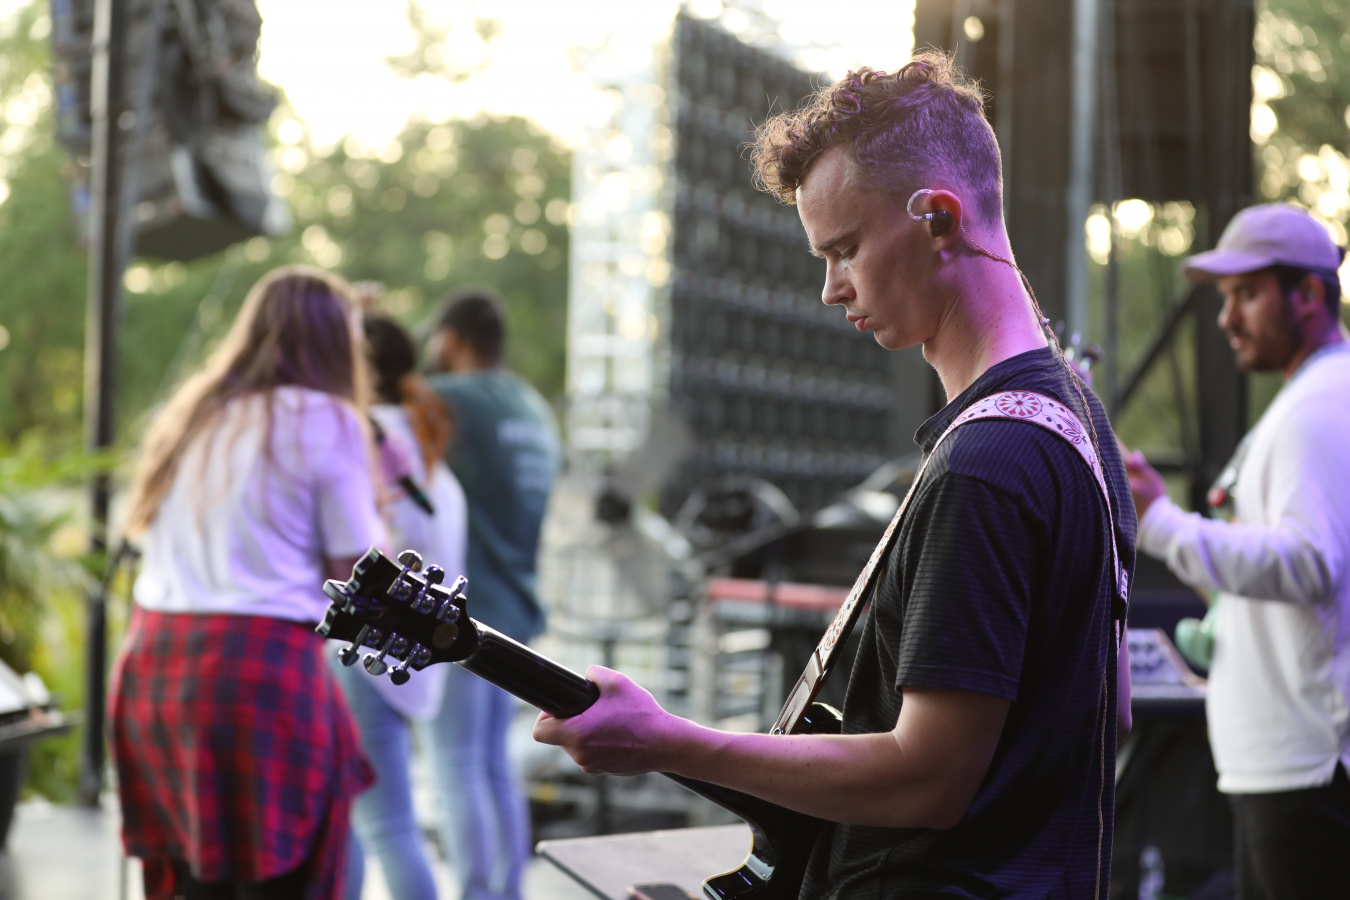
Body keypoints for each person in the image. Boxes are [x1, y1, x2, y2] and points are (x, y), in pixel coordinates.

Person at [532, 54, 1136, 898]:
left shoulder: (985, 466)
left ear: (938, 218)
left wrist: (666, 741)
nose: (829, 289)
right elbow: (1112, 710)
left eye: (846, 250)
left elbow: (928, 779)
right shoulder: (1080, 421)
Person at [109, 266, 382, 900]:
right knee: (286, 878)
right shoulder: (327, 417)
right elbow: (359, 575)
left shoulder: (194, 411)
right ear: (332, 342)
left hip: (154, 667)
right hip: (256, 674)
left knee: (194, 880)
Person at [1125, 203, 1350, 900]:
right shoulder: (1314, 398)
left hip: (1305, 771)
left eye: (1246, 294)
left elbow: (1310, 562)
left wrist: (1161, 522)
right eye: (1225, 298)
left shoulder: (1318, 406)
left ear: (1308, 293)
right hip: (1291, 765)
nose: (1226, 318)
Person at [424, 288, 560, 900]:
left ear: (450, 339)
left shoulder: (447, 398)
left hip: (461, 612)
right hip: (515, 608)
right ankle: (506, 892)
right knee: (492, 763)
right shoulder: (533, 408)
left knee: (455, 763)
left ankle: (477, 894)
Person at [332, 313, 469, 900]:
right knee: (382, 824)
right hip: (407, 648)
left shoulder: (365, 438)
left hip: (365, 646)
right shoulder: (419, 435)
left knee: (377, 826)